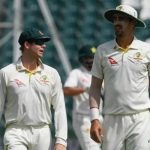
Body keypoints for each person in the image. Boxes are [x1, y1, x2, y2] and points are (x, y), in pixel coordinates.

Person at [89, 4, 150, 150]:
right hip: (111, 118)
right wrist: (94, 119)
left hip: (140, 117)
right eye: (114, 19)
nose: (116, 22)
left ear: (133, 23)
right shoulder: (103, 50)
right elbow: (95, 87)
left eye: (121, 19)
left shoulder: (147, 50)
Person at [0, 27, 67, 150]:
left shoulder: (52, 73)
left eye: (44, 43)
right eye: (39, 43)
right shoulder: (6, 73)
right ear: (26, 44)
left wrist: (61, 140)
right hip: (15, 131)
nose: (44, 46)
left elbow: (59, 108)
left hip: (43, 132)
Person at [64, 45, 103, 150]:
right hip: (83, 118)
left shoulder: (102, 72)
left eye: (93, 57)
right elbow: (66, 90)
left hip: (101, 116)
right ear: (82, 59)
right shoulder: (77, 73)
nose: (90, 61)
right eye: (87, 58)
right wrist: (84, 89)